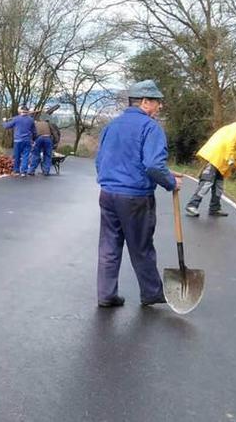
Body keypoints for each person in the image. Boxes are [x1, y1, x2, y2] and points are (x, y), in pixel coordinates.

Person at [94, 79, 182, 308]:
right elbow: (153, 165)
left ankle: (106, 294)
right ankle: (151, 292)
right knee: (141, 246)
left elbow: (101, 160)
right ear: (145, 102)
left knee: (109, 245)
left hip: (108, 194)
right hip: (135, 197)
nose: (159, 106)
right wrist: (171, 183)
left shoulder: (112, 126)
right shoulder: (151, 128)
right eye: (157, 102)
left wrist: (110, 181)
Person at [185, 119, 236, 218]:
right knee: (206, 182)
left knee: (218, 186)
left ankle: (215, 208)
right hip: (215, 158)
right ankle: (192, 206)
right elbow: (230, 143)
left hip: (222, 162)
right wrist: (230, 158)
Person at [3, 106, 36, 176]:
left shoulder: (16, 119)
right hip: (27, 140)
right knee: (25, 156)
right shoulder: (31, 120)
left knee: (17, 156)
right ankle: (24, 171)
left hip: (17, 140)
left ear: (21, 111)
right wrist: (34, 140)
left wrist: (4, 121)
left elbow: (6, 126)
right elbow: (34, 131)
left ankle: (16, 171)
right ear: (27, 111)